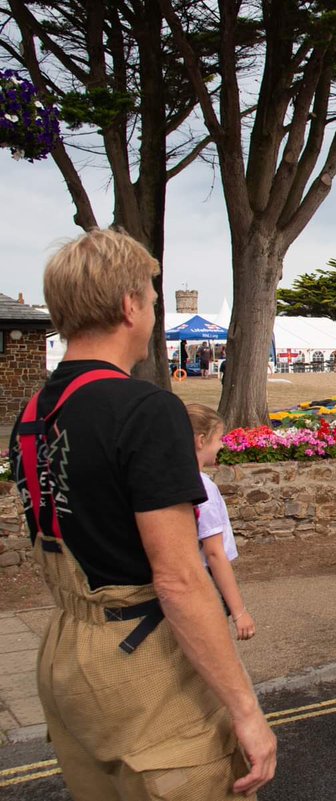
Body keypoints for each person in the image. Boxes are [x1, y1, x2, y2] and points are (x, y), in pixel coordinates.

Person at [9, 228, 275, 799]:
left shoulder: (32, 414)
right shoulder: (146, 409)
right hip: (138, 660)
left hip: (65, 653)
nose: (153, 311)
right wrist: (246, 710)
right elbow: (179, 579)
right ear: (130, 305)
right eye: (152, 299)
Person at [187, 403, 255, 641]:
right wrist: (239, 612)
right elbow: (214, 553)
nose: (222, 445)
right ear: (201, 440)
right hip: (204, 580)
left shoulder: (171, 481)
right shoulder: (203, 488)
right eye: (218, 439)